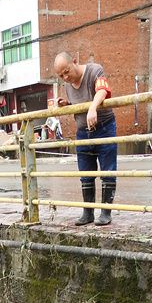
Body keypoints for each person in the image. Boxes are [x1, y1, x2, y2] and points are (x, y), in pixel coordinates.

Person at [54, 51, 116, 226]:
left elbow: (102, 90)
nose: (65, 77)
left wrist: (93, 107)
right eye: (61, 75)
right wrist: (67, 105)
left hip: (104, 127)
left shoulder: (95, 70)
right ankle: (88, 212)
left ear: (74, 61)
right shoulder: (67, 86)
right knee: (86, 175)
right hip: (83, 132)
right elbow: (78, 104)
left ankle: (105, 213)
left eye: (66, 72)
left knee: (108, 172)